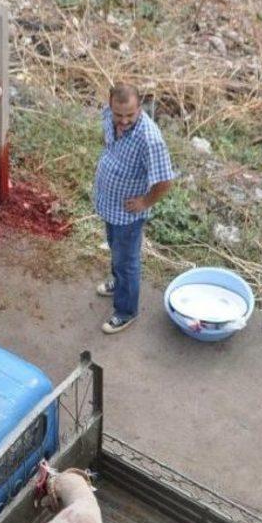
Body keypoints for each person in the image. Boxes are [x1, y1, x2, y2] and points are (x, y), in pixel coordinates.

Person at [94, 83, 175, 334]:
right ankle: (119, 284)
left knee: (127, 260)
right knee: (115, 248)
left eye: (130, 115)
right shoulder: (110, 116)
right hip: (109, 204)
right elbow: (109, 138)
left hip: (128, 213)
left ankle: (126, 311)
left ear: (140, 107)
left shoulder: (150, 139)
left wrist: (144, 202)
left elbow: (165, 181)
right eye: (119, 115)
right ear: (111, 106)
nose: (124, 120)